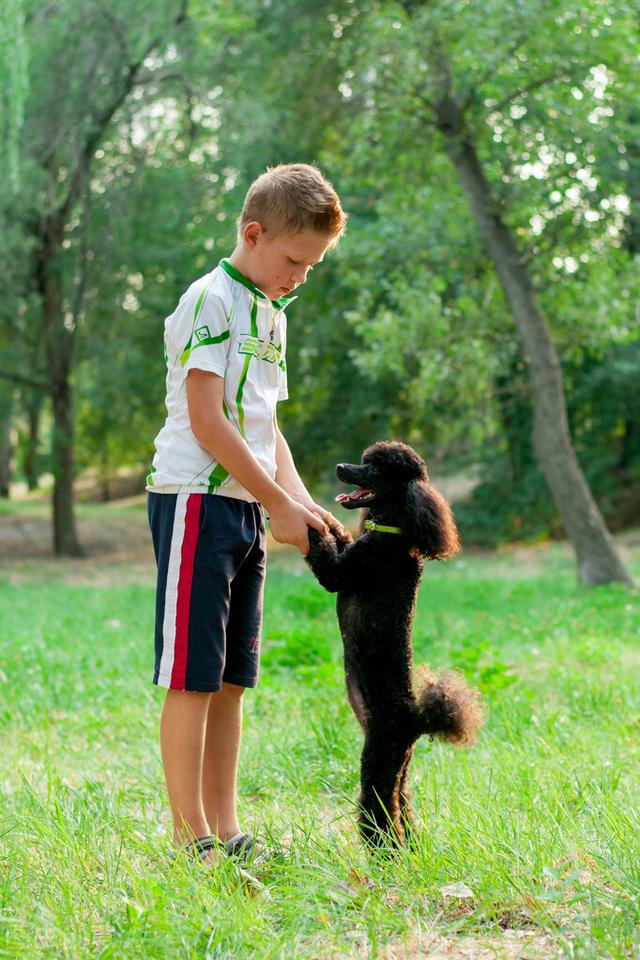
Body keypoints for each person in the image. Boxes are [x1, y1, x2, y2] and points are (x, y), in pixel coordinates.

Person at [146, 163, 347, 869]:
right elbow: (208, 422)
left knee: (233, 677)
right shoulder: (212, 301)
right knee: (192, 674)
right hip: (197, 499)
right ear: (253, 233)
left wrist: (299, 502)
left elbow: (264, 426)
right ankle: (187, 834)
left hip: (246, 506)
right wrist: (273, 501)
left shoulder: (270, 313)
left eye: (312, 267)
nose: (300, 276)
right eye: (294, 260)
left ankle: (226, 829)